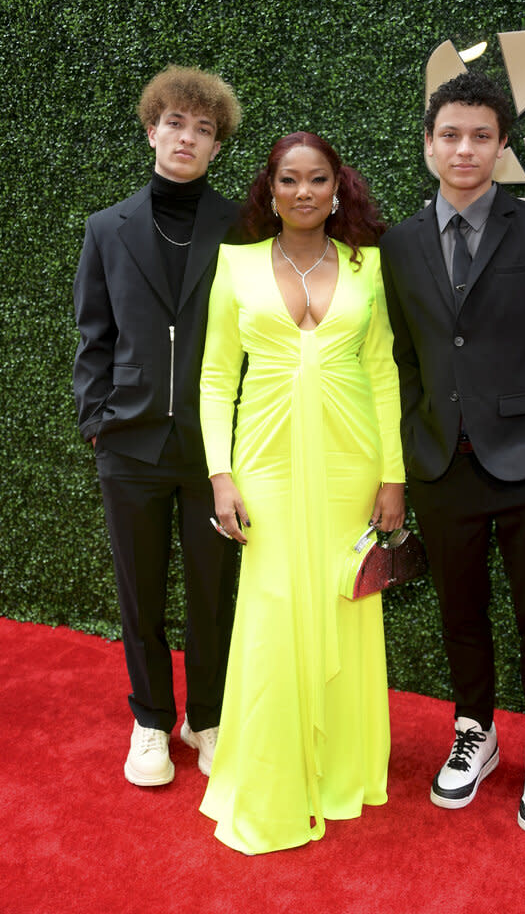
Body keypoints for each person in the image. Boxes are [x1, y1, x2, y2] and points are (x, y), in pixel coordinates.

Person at [380, 71, 525, 836]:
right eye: (450, 134)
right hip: (442, 466)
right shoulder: (399, 243)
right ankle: (478, 729)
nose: (464, 148)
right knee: (460, 616)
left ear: (503, 147)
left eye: (480, 135)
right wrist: (407, 454)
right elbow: (403, 360)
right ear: (429, 144)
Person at [198, 131, 405, 854]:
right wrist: (220, 473)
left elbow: (382, 371)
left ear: (338, 187)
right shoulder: (237, 265)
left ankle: (341, 767)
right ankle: (274, 773)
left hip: (354, 459)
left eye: (319, 179)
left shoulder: (367, 266)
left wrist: (394, 475)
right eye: (291, 180)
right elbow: (217, 376)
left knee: (344, 602)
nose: (306, 192)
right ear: (271, 188)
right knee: (274, 603)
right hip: (266, 462)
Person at [73, 65, 242, 786]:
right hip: (131, 443)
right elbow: (94, 336)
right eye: (176, 123)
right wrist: (98, 421)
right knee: (139, 591)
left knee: (214, 589)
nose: (187, 137)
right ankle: (149, 722)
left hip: (215, 452)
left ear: (215, 147)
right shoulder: (105, 228)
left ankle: (205, 719)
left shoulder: (241, 226)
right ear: (152, 129)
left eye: (203, 130)